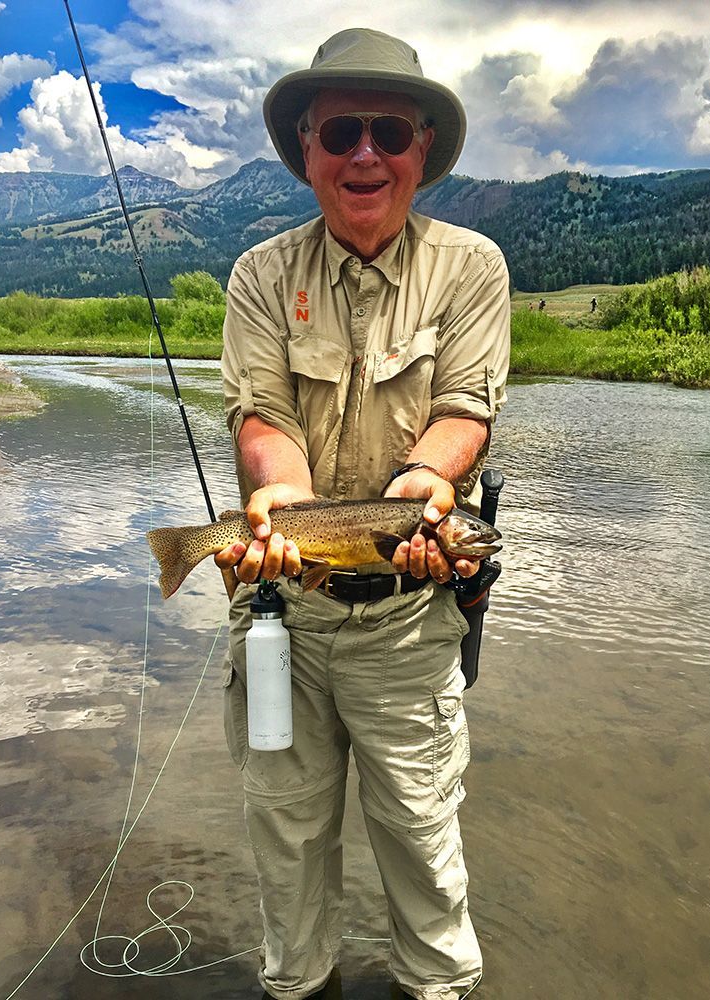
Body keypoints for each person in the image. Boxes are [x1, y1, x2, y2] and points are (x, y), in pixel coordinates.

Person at [216, 28, 510, 1000]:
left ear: (422, 148)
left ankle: (435, 988)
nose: (365, 154)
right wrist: (276, 510)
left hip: (405, 628)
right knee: (283, 833)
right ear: (306, 148)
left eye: (389, 131)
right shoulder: (260, 277)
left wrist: (426, 486)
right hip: (277, 627)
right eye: (341, 131)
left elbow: (461, 413)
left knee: (421, 840)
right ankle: (295, 985)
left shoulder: (470, 269)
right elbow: (264, 422)